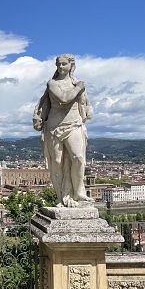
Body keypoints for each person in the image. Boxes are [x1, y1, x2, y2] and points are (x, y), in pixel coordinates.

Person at [33, 54, 93, 207]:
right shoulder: (52, 84)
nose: (60, 67)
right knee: (57, 162)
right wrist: (80, 87)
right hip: (54, 127)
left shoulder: (75, 83)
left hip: (74, 124)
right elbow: (64, 98)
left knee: (78, 158)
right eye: (58, 64)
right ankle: (61, 197)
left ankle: (79, 192)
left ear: (71, 65)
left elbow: (86, 107)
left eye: (64, 64)